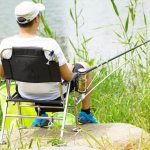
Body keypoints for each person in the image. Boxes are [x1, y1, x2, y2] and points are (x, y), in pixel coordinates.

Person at [0, 1, 97, 127]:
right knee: (85, 68)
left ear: (18, 21)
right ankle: (86, 114)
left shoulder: (6, 45)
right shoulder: (49, 45)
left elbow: (3, 74)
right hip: (54, 94)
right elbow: (67, 77)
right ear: (36, 19)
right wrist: (70, 67)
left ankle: (41, 115)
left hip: (24, 92)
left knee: (32, 73)